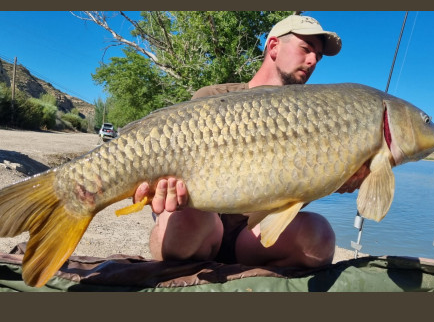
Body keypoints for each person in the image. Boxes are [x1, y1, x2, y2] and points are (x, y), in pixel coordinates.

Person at [133, 15, 343, 268]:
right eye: (306, 49)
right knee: (184, 217)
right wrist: (159, 197)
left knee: (319, 234)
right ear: (274, 46)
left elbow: (295, 192)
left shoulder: (310, 118)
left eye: (317, 57)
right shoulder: (211, 97)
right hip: (204, 228)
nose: (312, 61)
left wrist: (338, 178)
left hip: (255, 237)